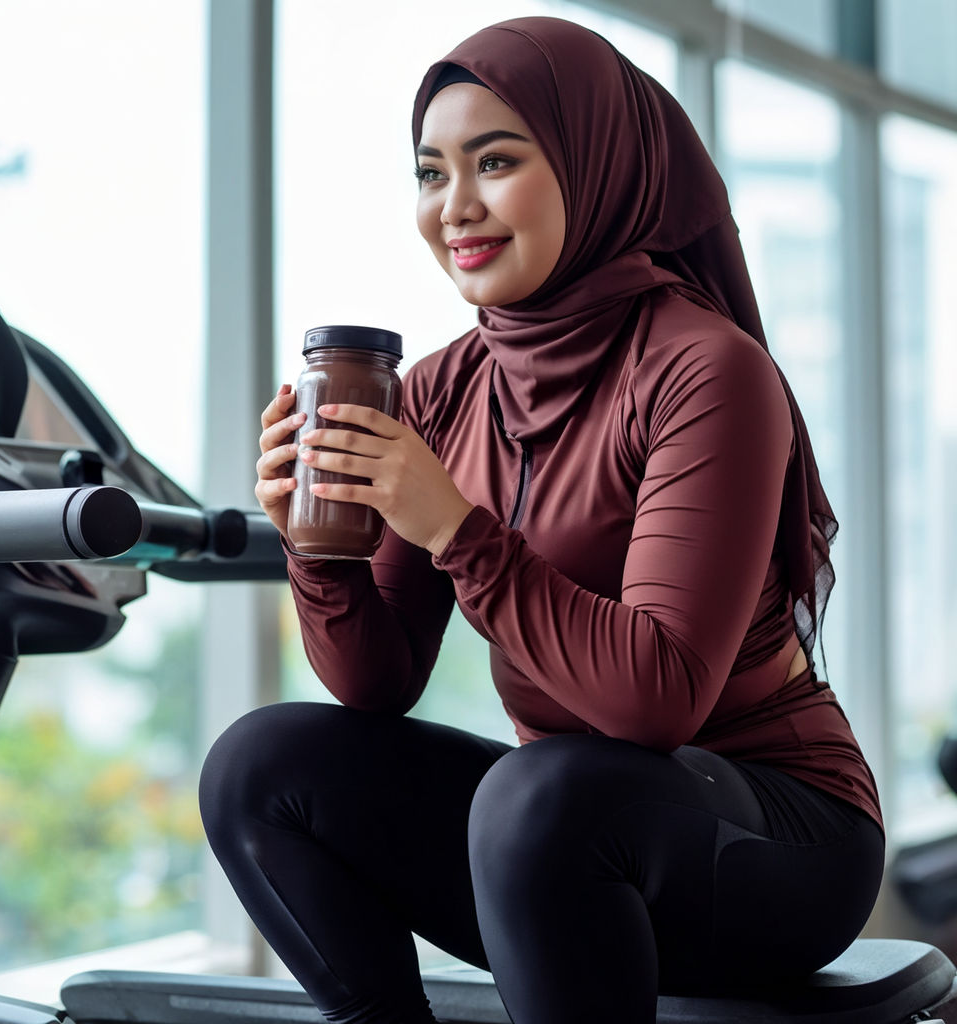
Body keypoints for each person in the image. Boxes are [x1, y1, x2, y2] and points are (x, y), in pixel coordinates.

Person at [199, 16, 884, 1024]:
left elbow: (656, 702)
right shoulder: (436, 388)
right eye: (430, 173)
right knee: (262, 764)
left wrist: (457, 530)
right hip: (568, 833)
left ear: (590, 164)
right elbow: (374, 683)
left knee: (541, 793)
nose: (455, 206)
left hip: (775, 840)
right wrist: (320, 549)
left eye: (496, 161)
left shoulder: (706, 369)